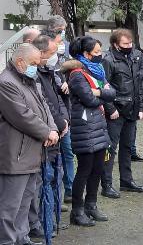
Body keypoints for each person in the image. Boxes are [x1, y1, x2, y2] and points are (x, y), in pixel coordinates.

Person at [0, 43, 59, 245]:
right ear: (19, 62)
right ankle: (7, 241)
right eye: (33, 63)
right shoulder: (6, 83)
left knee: (26, 203)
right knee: (9, 207)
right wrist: (46, 132)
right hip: (15, 155)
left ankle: (22, 238)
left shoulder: (29, 81)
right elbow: (22, 116)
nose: (37, 67)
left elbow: (45, 107)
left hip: (32, 153)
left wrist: (52, 128)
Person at [62, 36, 116, 226]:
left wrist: (99, 92)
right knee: (84, 170)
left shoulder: (97, 72)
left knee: (98, 169)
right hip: (84, 128)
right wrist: (102, 94)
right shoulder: (77, 74)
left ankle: (91, 206)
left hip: (98, 126)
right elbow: (89, 100)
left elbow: (112, 92)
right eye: (96, 53)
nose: (100, 56)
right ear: (86, 54)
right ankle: (77, 211)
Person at [27, 35, 70, 241]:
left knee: (52, 180)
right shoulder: (34, 75)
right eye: (53, 54)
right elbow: (42, 105)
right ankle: (36, 224)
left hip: (55, 134)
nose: (56, 57)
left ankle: (48, 219)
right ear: (41, 53)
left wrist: (64, 121)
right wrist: (55, 126)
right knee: (38, 185)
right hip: (43, 139)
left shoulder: (50, 72)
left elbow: (58, 101)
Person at [100, 29, 143, 199]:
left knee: (127, 147)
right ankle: (106, 184)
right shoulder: (108, 59)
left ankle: (126, 180)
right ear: (115, 44)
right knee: (110, 149)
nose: (129, 46)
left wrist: (141, 107)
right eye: (125, 44)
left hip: (131, 110)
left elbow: (139, 84)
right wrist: (111, 109)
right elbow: (104, 86)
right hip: (116, 110)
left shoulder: (137, 56)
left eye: (130, 43)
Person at [45, 16, 75, 203]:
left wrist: (68, 82)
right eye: (61, 29)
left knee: (68, 152)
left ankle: (69, 189)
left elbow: (72, 66)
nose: (63, 32)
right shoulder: (43, 45)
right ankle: (56, 195)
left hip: (65, 105)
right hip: (51, 110)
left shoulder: (67, 45)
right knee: (55, 157)